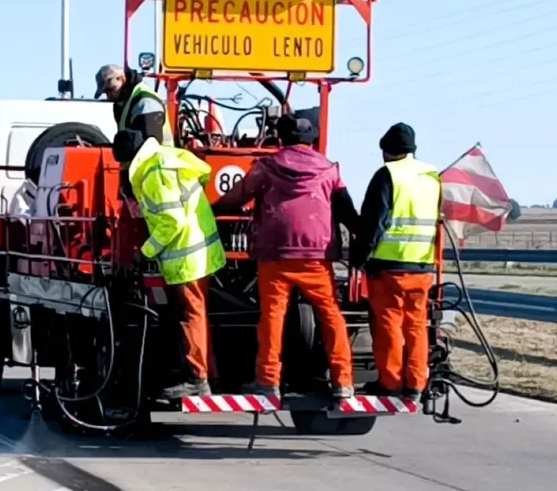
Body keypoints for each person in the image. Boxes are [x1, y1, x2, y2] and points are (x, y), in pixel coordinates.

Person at [212, 115, 360, 400]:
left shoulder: (267, 166)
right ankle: (343, 381)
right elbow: (344, 207)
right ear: (311, 140)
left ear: (281, 138)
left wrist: (213, 210)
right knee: (330, 315)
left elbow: (237, 197)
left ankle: (267, 381)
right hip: (317, 255)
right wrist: (362, 237)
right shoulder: (330, 170)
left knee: (272, 317)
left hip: (275, 254)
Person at [114, 130, 226, 398]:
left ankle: (198, 380)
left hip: (186, 254)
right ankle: (210, 374)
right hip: (200, 247)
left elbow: (171, 221)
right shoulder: (170, 156)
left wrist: (146, 252)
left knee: (190, 316)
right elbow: (205, 172)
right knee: (197, 314)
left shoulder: (154, 173)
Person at [350, 122, 441, 402]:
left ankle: (390, 382)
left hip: (389, 266)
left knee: (388, 324)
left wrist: (358, 258)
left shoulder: (387, 175)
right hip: (423, 267)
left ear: (386, 151)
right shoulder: (432, 175)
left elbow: (373, 223)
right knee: (416, 326)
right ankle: (416, 384)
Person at [95, 63, 173, 147]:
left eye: (110, 89)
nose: (108, 96)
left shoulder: (145, 102)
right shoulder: (124, 104)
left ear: (121, 79)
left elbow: (150, 146)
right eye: (106, 92)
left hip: (159, 159)